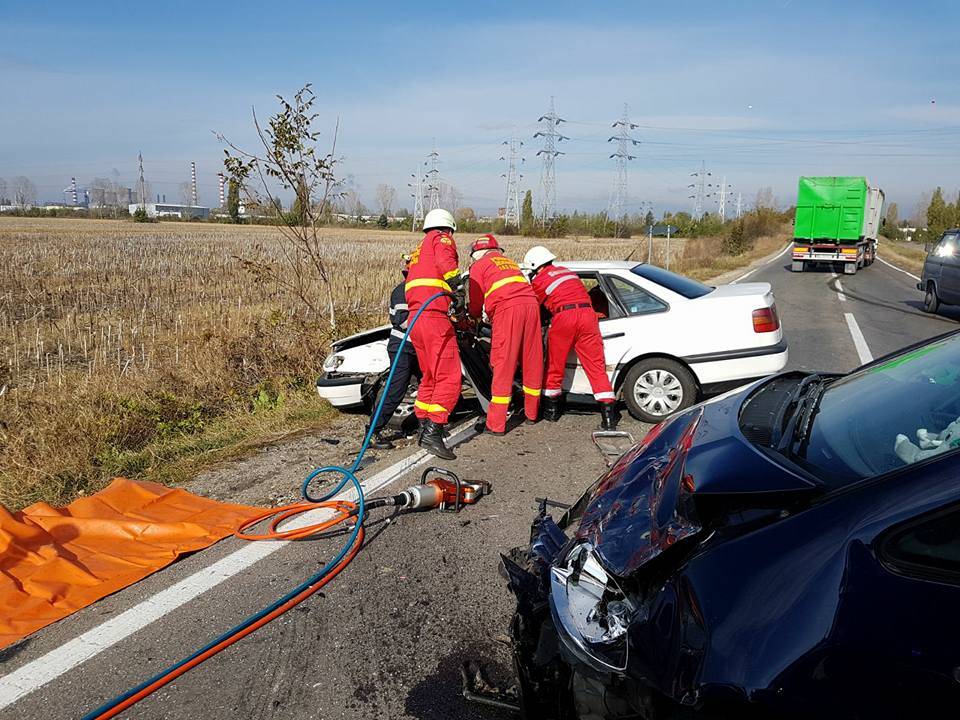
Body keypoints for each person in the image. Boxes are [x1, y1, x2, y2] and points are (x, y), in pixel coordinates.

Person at [522, 245, 621, 430]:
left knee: (554, 364)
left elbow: (535, 307)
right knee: (596, 366)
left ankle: (551, 411)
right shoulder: (568, 272)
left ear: (536, 266)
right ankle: (609, 417)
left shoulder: (540, 280)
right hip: (588, 316)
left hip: (564, 317)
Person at [467, 234, 542, 434]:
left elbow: (475, 302)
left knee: (503, 362)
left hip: (508, 310)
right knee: (531, 360)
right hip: (531, 307)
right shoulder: (508, 263)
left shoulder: (479, 265)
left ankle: (496, 424)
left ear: (476, 252)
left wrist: (472, 316)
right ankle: (532, 414)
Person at [405, 208, 463, 460]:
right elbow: (446, 265)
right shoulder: (442, 239)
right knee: (449, 378)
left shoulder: (419, 249)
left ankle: (423, 426)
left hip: (415, 319)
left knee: (430, 377)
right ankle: (434, 432)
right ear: (447, 227)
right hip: (434, 317)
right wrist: (459, 288)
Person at [368, 255, 419, 450]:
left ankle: (426, 425)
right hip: (403, 348)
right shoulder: (401, 292)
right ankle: (372, 433)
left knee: (429, 385)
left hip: (418, 348)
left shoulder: (422, 290)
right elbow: (404, 322)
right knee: (395, 390)